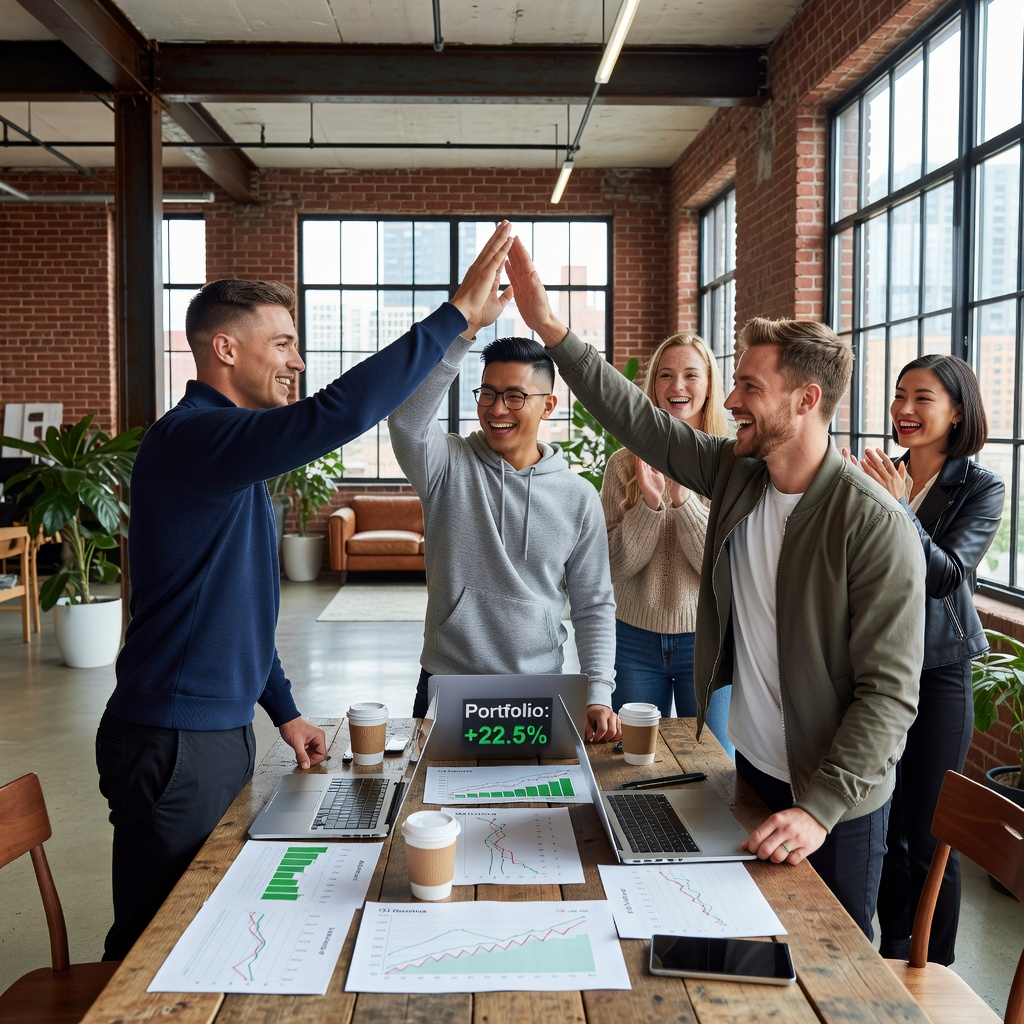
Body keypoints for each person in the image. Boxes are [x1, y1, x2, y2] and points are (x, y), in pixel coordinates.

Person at [95, 221, 515, 961]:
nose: (297, 360)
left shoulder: (231, 451)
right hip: (171, 738)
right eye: (282, 342)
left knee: (196, 925)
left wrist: (283, 711)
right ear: (224, 349)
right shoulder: (193, 438)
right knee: (153, 941)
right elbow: (338, 414)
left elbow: (240, 604)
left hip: (214, 731)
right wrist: (453, 319)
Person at [505, 236, 924, 937]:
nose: (728, 400)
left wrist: (819, 809)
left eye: (749, 388)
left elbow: (890, 692)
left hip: (834, 800)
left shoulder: (871, 522)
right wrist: (551, 327)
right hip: (755, 771)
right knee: (751, 940)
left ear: (807, 398)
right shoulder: (739, 475)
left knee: (835, 953)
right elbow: (635, 418)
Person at [842, 354, 1003, 965]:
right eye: (898, 396)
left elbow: (947, 578)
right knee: (880, 823)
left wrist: (900, 509)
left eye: (923, 398)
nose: (904, 410)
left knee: (932, 835)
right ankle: (891, 954)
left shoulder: (981, 487)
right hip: (877, 665)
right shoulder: (884, 471)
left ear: (956, 411)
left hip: (938, 669)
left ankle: (932, 966)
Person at [388, 333, 620, 742]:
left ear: (548, 404)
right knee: (430, 804)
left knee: (536, 803)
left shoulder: (578, 496)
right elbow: (406, 420)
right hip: (447, 681)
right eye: (488, 394)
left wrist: (599, 690)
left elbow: (593, 603)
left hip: (539, 688)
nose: (497, 409)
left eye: (515, 396)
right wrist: (459, 337)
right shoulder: (446, 464)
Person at [600, 332, 734, 754]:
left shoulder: (732, 464)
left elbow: (723, 567)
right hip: (633, 639)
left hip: (708, 640)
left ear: (710, 385)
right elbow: (610, 566)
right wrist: (651, 507)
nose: (678, 387)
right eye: (666, 376)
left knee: (716, 760)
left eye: (691, 375)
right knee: (636, 759)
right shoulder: (623, 464)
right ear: (653, 386)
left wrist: (681, 499)